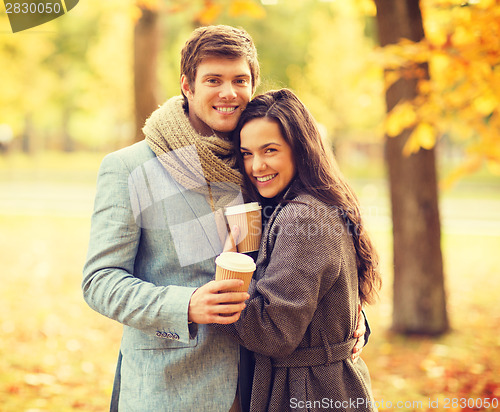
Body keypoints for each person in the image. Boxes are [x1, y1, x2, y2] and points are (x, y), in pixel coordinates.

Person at [82, 25, 367, 412]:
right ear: (187, 85)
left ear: (253, 84)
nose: (228, 92)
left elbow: (304, 261)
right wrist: (184, 305)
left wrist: (347, 321)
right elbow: (100, 281)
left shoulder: (260, 161)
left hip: (260, 387)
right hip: (169, 389)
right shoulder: (130, 168)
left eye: (239, 79)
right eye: (213, 80)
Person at [214, 88, 382, 412]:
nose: (256, 166)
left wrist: (224, 282)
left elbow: (274, 333)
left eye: (270, 150)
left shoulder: (302, 217)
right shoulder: (307, 204)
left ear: (300, 149)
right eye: (247, 153)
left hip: (309, 394)